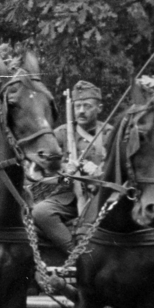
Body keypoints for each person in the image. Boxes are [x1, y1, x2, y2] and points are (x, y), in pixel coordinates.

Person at [33, 80, 108, 258]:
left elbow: (120, 172)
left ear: (99, 108)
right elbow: (36, 170)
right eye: (78, 106)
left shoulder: (109, 134)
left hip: (102, 198)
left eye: (87, 106)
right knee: (41, 212)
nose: (81, 111)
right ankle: (78, 255)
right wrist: (64, 169)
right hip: (68, 199)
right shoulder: (60, 134)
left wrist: (99, 173)